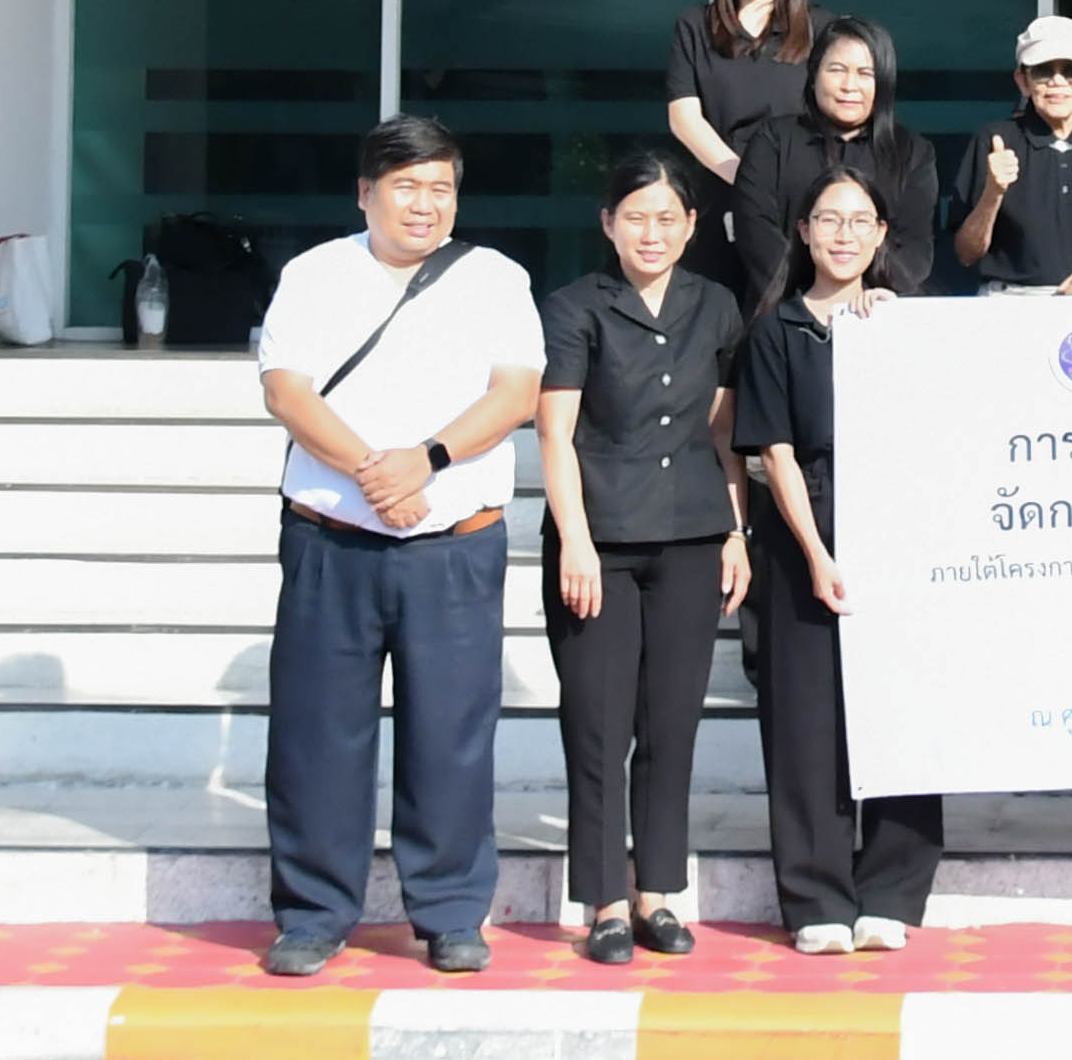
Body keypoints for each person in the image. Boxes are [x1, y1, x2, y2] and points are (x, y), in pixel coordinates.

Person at [251, 116, 548, 979]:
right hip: (331, 542)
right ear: (365, 193)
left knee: (450, 734)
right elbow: (286, 391)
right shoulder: (314, 274)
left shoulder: (495, 278)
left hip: (453, 545)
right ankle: (313, 913)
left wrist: (427, 459)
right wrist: (373, 472)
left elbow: (516, 391)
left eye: (440, 188)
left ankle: (450, 911)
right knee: (316, 733)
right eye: (406, 186)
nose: (425, 204)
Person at [539, 145, 751, 963]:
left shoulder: (716, 305)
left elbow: (725, 435)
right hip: (600, 544)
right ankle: (602, 901)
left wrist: (735, 530)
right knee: (597, 726)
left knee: (671, 725)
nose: (651, 232)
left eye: (666, 217)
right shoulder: (574, 307)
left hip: (691, 538)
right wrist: (575, 539)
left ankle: (655, 893)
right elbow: (555, 433)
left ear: (692, 224)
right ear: (608, 223)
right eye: (635, 217)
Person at [742, 158, 943, 952]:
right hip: (805, 528)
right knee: (805, 721)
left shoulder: (898, 325)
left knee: (901, 704)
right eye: (829, 218)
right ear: (802, 230)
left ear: (882, 232)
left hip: (898, 523)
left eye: (861, 220)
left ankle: (891, 888)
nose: (844, 234)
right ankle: (816, 898)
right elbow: (776, 454)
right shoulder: (775, 329)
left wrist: (897, 328)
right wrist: (817, 552)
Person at [729, 11, 944, 311]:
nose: (849, 85)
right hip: (784, 312)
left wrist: (864, 299)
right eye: (837, 70)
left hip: (873, 315)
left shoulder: (913, 153)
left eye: (865, 73)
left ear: (884, 82)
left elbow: (915, 247)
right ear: (814, 75)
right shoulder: (772, 140)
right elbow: (756, 232)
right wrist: (809, 300)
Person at [958, 13, 1072, 293]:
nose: (1058, 81)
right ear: (1023, 81)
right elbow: (966, 253)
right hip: (1013, 303)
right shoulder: (994, 141)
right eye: (1043, 71)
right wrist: (993, 192)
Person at [664, 0, 816, 218]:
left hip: (800, 202)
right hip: (721, 198)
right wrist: (747, 180)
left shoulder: (821, 29)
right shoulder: (695, 26)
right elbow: (684, 119)